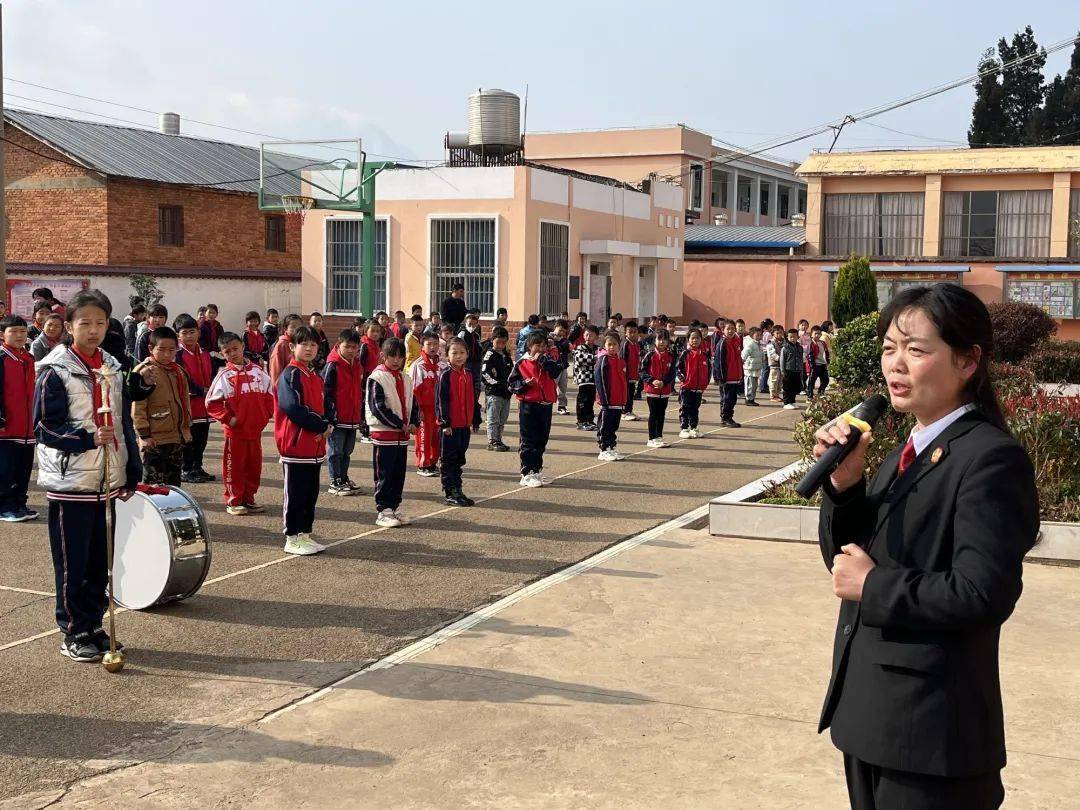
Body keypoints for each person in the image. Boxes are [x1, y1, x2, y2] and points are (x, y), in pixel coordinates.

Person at [812, 285, 1039, 810]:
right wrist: (845, 487)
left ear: (967, 360)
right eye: (890, 347)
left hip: (933, 733)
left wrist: (876, 585)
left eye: (916, 350)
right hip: (871, 717)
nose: (897, 364)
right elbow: (849, 563)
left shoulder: (989, 459)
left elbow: (983, 593)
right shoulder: (907, 450)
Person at [33, 289, 154, 662]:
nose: (93, 330)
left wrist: (132, 467)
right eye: (84, 323)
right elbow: (43, 428)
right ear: (68, 326)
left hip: (106, 480)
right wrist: (84, 438)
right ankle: (72, 630)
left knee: (100, 561)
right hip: (72, 483)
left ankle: (94, 624)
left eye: (100, 323)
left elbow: (121, 423)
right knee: (73, 563)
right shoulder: (54, 370)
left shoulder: (112, 365)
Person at [275, 326, 331, 556]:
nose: (309, 349)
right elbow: (292, 408)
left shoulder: (314, 375)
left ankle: (304, 534)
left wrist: (328, 423)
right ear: (292, 347)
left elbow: (322, 405)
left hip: (314, 446)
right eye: (303, 344)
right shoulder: (291, 374)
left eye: (313, 344)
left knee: (310, 493)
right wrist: (321, 425)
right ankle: (292, 536)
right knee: (295, 492)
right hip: (295, 445)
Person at [205, 332, 274, 516]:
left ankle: (249, 499)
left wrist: (266, 414)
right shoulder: (224, 376)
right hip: (235, 433)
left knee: (254, 467)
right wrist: (229, 418)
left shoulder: (258, 371)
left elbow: (270, 395)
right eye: (227, 351)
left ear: (243, 346)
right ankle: (234, 500)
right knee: (234, 467)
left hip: (255, 431)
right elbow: (211, 402)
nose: (232, 353)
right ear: (222, 354)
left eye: (235, 348)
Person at [366, 337, 420, 528]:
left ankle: (395, 507)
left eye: (400, 356)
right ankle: (383, 509)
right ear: (383, 356)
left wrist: (414, 422)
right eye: (392, 356)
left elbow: (413, 403)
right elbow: (377, 407)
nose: (396, 360)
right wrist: (399, 424)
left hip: (401, 437)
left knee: (398, 473)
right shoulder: (377, 377)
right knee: (384, 473)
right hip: (385, 434)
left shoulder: (405, 377)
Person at [133, 326, 191, 487]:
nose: (167, 354)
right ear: (151, 348)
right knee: (154, 487)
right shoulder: (144, 372)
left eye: (172, 350)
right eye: (162, 349)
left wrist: (186, 429)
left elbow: (185, 401)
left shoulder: (178, 371)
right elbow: (138, 406)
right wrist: (144, 435)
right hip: (154, 439)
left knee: (173, 486)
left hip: (176, 436)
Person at [508, 332, 563, 488]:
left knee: (541, 440)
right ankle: (527, 473)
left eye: (544, 345)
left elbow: (557, 370)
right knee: (528, 440)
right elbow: (511, 384)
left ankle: (537, 469)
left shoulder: (547, 361)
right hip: (529, 406)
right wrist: (525, 384)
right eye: (537, 345)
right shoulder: (521, 363)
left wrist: (545, 361)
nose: (541, 349)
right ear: (529, 346)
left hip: (545, 405)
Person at [0, 315, 38, 522]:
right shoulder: (2, 358)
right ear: (2, 335)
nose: (19, 336)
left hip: (27, 427)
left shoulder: (28, 358)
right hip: (6, 428)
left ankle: (19, 504)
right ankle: (4, 506)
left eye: (23, 331)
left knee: (23, 469)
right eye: (13, 331)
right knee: (5, 470)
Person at [322, 330, 364, 497]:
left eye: (355, 347)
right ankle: (335, 481)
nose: (351, 350)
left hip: (352, 417)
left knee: (347, 451)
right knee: (335, 450)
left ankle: (344, 477)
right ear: (339, 346)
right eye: (347, 347)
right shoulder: (333, 365)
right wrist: (330, 416)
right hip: (337, 418)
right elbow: (326, 392)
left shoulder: (357, 364)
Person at [176, 315, 216, 484]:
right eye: (185, 333)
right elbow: (182, 378)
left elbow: (212, 374)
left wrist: (213, 390)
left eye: (192, 332)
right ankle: (186, 469)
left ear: (198, 332)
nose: (189, 336)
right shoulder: (178, 355)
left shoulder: (205, 353)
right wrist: (201, 390)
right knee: (189, 440)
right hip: (189, 405)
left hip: (205, 405)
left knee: (202, 439)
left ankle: (197, 467)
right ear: (179, 335)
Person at [436, 339, 476, 506]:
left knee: (459, 460)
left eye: (462, 353)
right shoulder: (445, 375)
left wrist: (475, 419)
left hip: (464, 426)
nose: (458, 356)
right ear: (447, 356)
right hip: (450, 427)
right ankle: (450, 491)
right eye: (454, 353)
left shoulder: (468, 374)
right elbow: (441, 401)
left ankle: (458, 489)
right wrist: (445, 423)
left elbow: (472, 399)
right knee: (449, 460)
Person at [409, 332, 445, 477]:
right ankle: (423, 464)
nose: (432, 347)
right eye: (429, 344)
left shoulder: (442, 365)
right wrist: (418, 409)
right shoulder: (418, 366)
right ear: (422, 346)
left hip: (439, 409)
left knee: (436, 437)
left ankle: (433, 462)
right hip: (424, 409)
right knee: (424, 437)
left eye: (435, 344)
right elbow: (414, 390)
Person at [639, 329, 676, 448]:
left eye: (664, 339)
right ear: (655, 340)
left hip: (664, 391)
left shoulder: (671, 356)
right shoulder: (649, 354)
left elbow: (672, 373)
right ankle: (651, 438)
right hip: (652, 391)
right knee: (653, 414)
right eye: (659, 339)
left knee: (661, 414)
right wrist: (652, 380)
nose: (662, 342)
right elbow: (641, 371)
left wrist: (664, 382)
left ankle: (659, 436)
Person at [594, 330, 628, 461]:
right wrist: (604, 400)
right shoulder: (603, 360)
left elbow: (623, 382)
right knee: (605, 425)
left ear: (619, 346)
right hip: (608, 401)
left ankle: (611, 447)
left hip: (618, 401)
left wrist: (624, 399)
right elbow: (600, 381)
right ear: (604, 346)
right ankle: (603, 449)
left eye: (615, 344)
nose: (612, 347)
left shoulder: (620, 361)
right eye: (609, 344)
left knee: (614, 426)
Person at [481, 325, 512, 452]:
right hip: (494, 392)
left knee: (502, 418)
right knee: (493, 418)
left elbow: (511, 372)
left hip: (506, 392)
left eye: (503, 342)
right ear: (492, 340)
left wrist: (510, 386)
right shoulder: (489, 355)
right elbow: (485, 373)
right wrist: (495, 383)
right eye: (498, 341)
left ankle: (498, 439)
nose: (500, 344)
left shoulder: (506, 355)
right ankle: (492, 441)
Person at [676, 328, 710, 439]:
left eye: (697, 338)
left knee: (695, 409)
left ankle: (694, 428)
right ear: (688, 340)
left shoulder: (704, 355)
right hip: (686, 387)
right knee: (685, 408)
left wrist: (705, 383)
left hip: (698, 388)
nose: (695, 340)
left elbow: (709, 370)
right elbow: (678, 368)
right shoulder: (685, 353)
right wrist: (683, 379)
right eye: (693, 338)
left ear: (701, 339)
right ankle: (684, 428)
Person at [712, 320, 743, 427]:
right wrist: (720, 378)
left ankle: (729, 417)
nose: (730, 331)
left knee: (732, 399)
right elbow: (718, 362)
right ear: (723, 330)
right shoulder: (722, 343)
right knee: (726, 399)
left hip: (735, 377)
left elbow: (738, 360)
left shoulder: (736, 341)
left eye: (732, 329)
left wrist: (740, 376)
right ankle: (725, 418)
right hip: (726, 378)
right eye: (728, 329)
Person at [456, 310, 484, 431]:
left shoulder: (476, 335)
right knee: (464, 391)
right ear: (465, 321)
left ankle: (475, 420)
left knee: (475, 391)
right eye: (470, 322)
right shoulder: (462, 334)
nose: (472, 324)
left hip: (476, 365)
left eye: (474, 322)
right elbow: (458, 348)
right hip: (466, 364)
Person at [357, 320, 384, 442]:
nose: (375, 333)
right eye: (372, 331)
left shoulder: (376, 345)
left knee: (372, 404)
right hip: (366, 380)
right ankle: (364, 432)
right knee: (365, 405)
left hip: (374, 378)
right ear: (365, 331)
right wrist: (362, 381)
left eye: (377, 331)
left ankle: (369, 430)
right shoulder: (364, 345)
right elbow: (361, 364)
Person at [571, 325, 600, 431]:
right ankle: (581, 421)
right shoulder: (580, 347)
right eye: (586, 334)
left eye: (591, 335)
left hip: (593, 379)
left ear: (596, 337)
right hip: (583, 378)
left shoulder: (597, 349)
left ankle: (589, 420)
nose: (588, 337)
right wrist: (595, 358)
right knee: (583, 400)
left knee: (590, 399)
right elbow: (580, 359)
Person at [269, 314, 301, 387]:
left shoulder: (299, 343)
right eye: (293, 327)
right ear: (285, 329)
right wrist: (278, 392)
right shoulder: (281, 345)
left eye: (299, 327)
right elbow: (275, 372)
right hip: (286, 387)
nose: (296, 330)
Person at [550, 320, 572, 416]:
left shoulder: (564, 340)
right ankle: (548, 404)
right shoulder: (549, 338)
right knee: (551, 387)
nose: (561, 333)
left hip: (563, 367)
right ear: (555, 327)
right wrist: (554, 341)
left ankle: (561, 406)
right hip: (554, 367)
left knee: (563, 388)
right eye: (560, 330)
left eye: (564, 331)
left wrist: (563, 342)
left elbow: (568, 349)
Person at [741, 325, 765, 407]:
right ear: (752, 335)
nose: (759, 336)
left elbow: (761, 354)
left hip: (756, 368)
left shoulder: (759, 344)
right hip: (749, 368)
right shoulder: (750, 344)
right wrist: (742, 360)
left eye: (760, 335)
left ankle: (752, 398)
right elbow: (744, 354)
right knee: (749, 384)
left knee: (754, 385)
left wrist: (763, 360)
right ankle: (748, 399)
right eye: (757, 335)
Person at [781, 328, 804, 410]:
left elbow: (801, 359)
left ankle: (792, 401)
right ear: (787, 337)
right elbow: (782, 360)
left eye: (794, 337)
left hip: (797, 370)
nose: (792, 339)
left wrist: (801, 370)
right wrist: (783, 371)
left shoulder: (800, 348)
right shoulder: (785, 348)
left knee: (795, 387)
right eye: (790, 337)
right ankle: (786, 402)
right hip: (788, 371)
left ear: (798, 337)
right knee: (787, 388)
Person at [806, 325, 831, 400]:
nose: (817, 335)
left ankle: (820, 392)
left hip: (822, 364)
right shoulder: (810, 343)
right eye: (815, 333)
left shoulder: (822, 343)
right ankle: (810, 396)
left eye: (819, 333)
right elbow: (809, 354)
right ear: (811, 334)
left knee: (825, 380)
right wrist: (812, 365)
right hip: (815, 365)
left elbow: (826, 352)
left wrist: (827, 361)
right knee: (812, 382)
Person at [766, 325, 785, 403]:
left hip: (781, 365)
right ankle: (773, 395)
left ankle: (777, 394)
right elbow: (772, 354)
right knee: (774, 380)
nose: (779, 335)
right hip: (774, 365)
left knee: (780, 381)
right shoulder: (771, 343)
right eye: (777, 333)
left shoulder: (784, 341)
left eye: (781, 333)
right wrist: (781, 359)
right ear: (773, 333)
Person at [757, 318, 775, 394]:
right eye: (771, 326)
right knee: (766, 370)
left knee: (763, 370)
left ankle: (762, 385)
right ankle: (763, 386)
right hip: (766, 353)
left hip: (761, 352)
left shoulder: (761, 333)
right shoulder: (768, 334)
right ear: (769, 326)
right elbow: (770, 344)